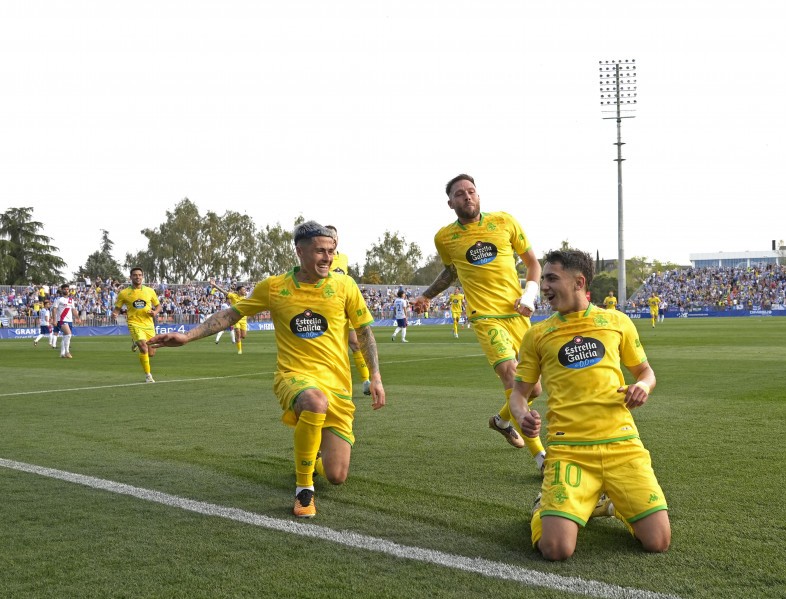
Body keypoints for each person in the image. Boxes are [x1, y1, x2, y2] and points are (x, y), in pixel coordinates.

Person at [149, 221, 386, 518]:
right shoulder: (274, 287)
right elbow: (233, 313)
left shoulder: (344, 285)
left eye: (331, 251)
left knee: (337, 476)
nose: (327, 257)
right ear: (300, 252)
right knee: (314, 401)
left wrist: (375, 377)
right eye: (320, 251)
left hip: (337, 383)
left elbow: (364, 332)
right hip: (294, 376)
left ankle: (311, 455)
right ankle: (304, 491)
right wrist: (187, 336)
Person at [509, 249, 670, 561]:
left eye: (552, 278)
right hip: (570, 451)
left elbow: (646, 373)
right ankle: (545, 507)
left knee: (658, 541)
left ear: (578, 282)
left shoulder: (616, 322)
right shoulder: (537, 334)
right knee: (556, 550)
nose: (544, 286)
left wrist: (641, 386)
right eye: (543, 279)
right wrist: (522, 415)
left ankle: (609, 504)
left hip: (622, 445)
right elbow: (518, 394)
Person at [412, 173, 545, 471]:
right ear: (451, 203)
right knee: (512, 377)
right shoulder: (445, 237)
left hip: (517, 313)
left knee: (534, 390)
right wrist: (427, 295)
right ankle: (541, 459)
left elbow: (533, 263)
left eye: (471, 191)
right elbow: (452, 271)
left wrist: (530, 295)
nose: (467, 196)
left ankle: (501, 421)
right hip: (485, 317)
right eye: (460, 194)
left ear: (479, 196)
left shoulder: (504, 222)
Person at [325, 225, 372, 395]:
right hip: (327, 310)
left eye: (335, 236)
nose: (333, 239)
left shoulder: (343, 258)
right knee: (332, 348)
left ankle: (366, 381)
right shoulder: (321, 259)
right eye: (329, 236)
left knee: (355, 343)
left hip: (345, 307)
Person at [112, 267, 162, 383]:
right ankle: (148, 376)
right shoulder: (124, 293)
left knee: (151, 353)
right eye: (135, 275)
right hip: (134, 323)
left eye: (140, 275)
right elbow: (117, 308)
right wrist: (115, 313)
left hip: (149, 324)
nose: (137, 277)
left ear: (142, 277)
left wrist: (155, 312)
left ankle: (135, 342)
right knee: (143, 347)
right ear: (131, 277)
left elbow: (158, 306)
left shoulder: (150, 291)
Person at [210, 280, 249, 354]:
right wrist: (215, 285)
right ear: (239, 290)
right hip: (236, 318)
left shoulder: (246, 298)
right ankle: (239, 350)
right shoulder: (233, 296)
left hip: (244, 319)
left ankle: (238, 340)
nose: (245, 291)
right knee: (237, 332)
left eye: (245, 290)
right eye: (243, 290)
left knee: (243, 336)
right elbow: (224, 292)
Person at [52, 283, 80, 358]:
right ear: (61, 290)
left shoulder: (71, 300)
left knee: (65, 337)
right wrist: (54, 320)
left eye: (67, 289)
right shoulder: (58, 299)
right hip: (61, 320)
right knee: (69, 334)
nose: (66, 290)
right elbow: (54, 309)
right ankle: (67, 352)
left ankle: (62, 353)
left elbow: (73, 310)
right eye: (65, 289)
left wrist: (78, 318)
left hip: (69, 320)